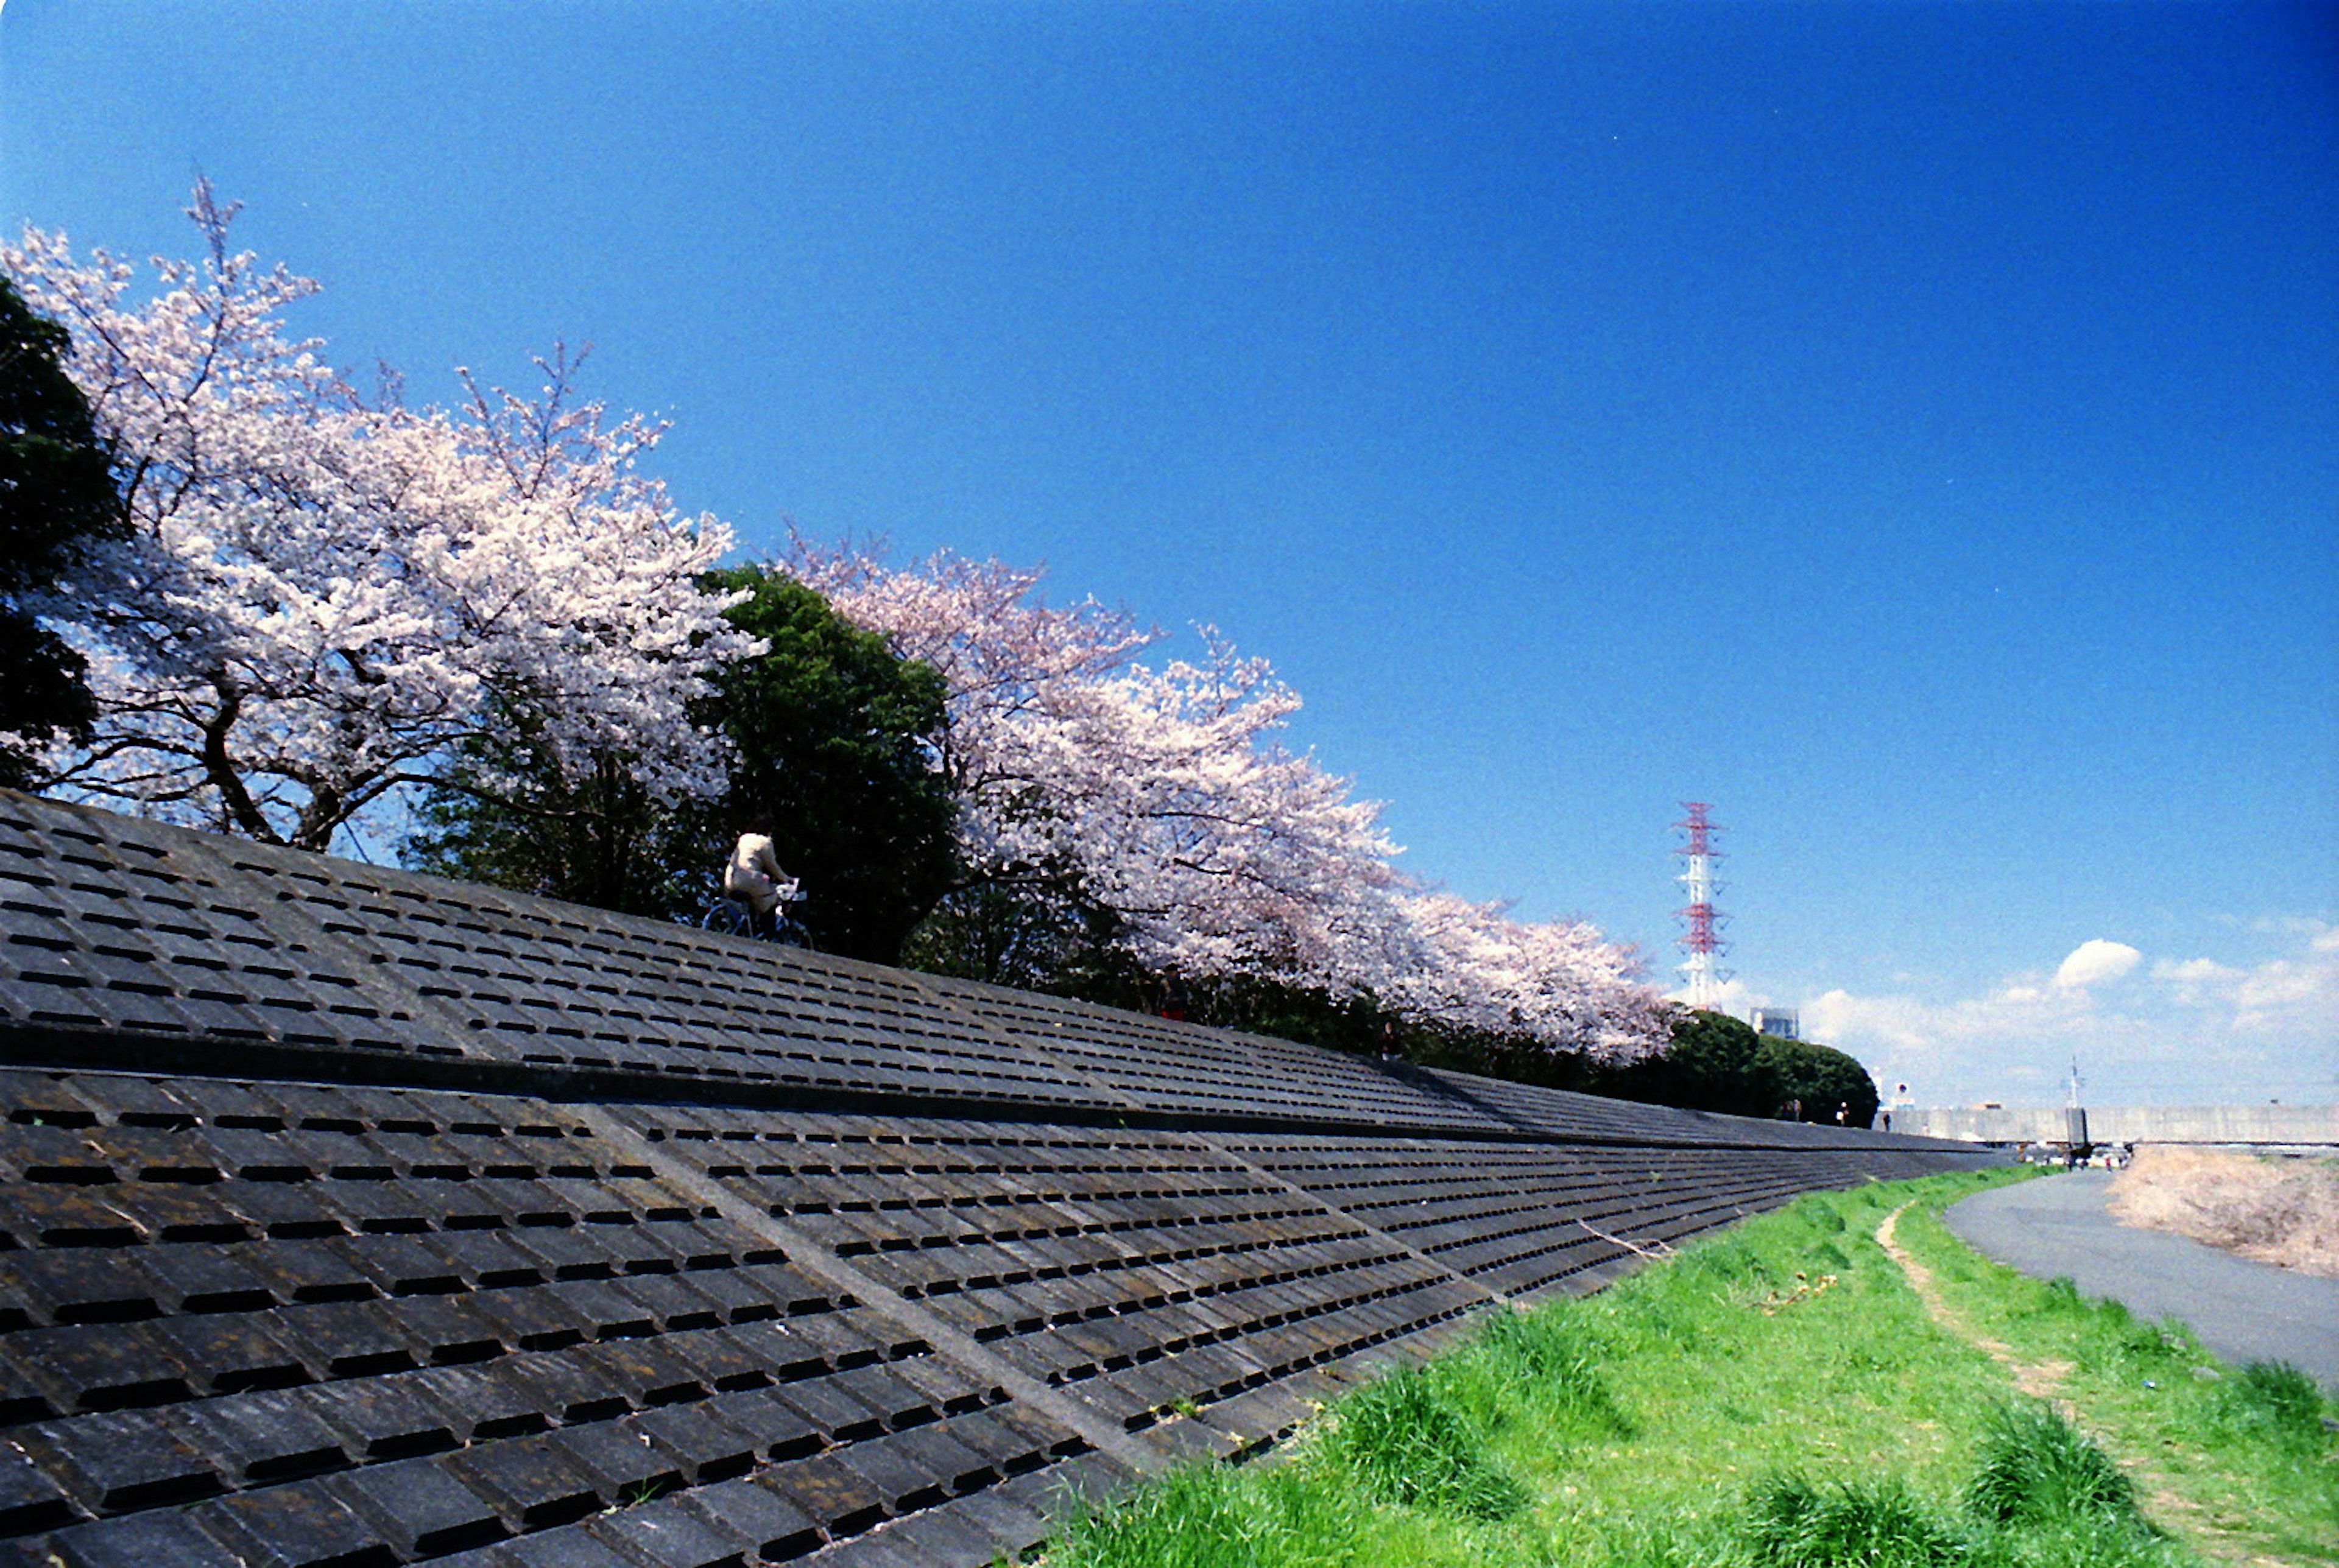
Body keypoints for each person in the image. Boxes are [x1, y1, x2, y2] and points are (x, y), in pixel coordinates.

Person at [724, 821, 796, 937]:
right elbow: (772, 866)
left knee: (755, 898)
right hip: (749, 880)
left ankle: (751, 930)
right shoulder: (765, 842)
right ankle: (768, 934)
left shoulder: (744, 838)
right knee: (773, 895)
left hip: (731, 879)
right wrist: (786, 879)